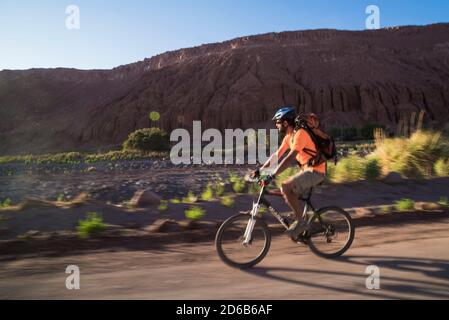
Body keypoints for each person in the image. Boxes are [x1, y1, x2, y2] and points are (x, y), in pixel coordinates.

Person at [255, 106, 326, 240]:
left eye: (277, 122)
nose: (276, 125)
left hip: (316, 171)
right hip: (306, 170)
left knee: (285, 186)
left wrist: (273, 174)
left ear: (285, 122)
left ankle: (301, 222)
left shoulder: (300, 134)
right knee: (289, 191)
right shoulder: (289, 137)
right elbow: (277, 155)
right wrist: (260, 172)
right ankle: (300, 217)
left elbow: (290, 157)